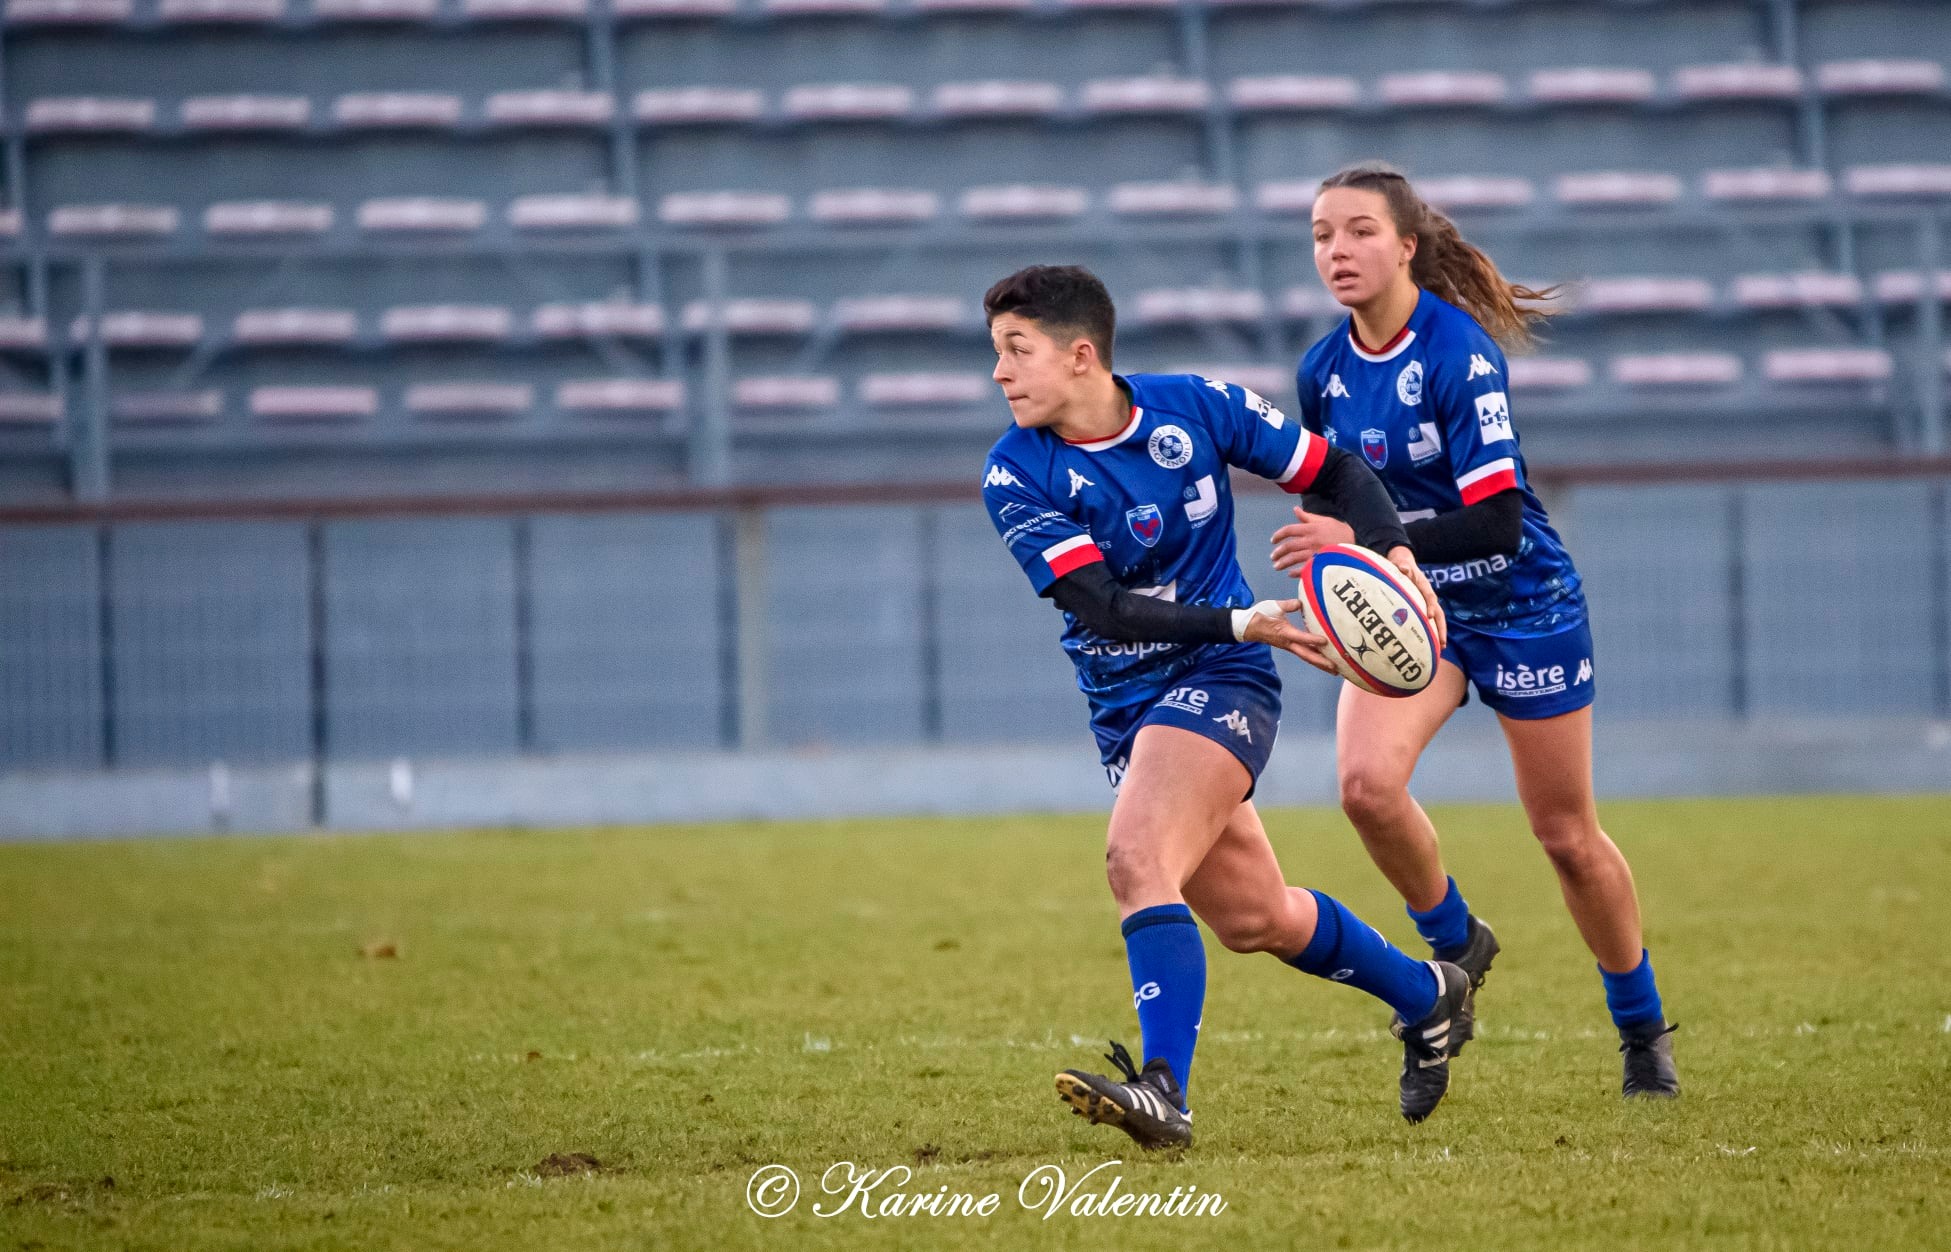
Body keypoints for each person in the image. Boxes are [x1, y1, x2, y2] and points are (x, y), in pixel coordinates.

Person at [978, 263, 1473, 1148]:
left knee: (1135, 862)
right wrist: (1248, 617)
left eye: (1016, 351)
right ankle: (1429, 995)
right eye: (996, 354)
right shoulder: (1015, 472)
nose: (1000, 373)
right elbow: (1099, 605)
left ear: (1080, 355)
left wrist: (1392, 551)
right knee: (1256, 918)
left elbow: (1338, 468)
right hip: (1132, 703)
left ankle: (1164, 1090)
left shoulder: (1197, 406)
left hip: (1221, 678)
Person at [1272, 162, 1679, 1099]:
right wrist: (1334, 589)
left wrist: (1370, 540)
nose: (1337, 249)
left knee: (1566, 837)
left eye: (1359, 231)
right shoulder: (1321, 371)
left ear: (1406, 246)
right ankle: (1457, 944)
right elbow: (1330, 514)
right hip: (1422, 613)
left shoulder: (1456, 354)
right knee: (1366, 788)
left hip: (1520, 602)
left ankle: (1641, 1032)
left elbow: (1494, 524)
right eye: (1321, 234)